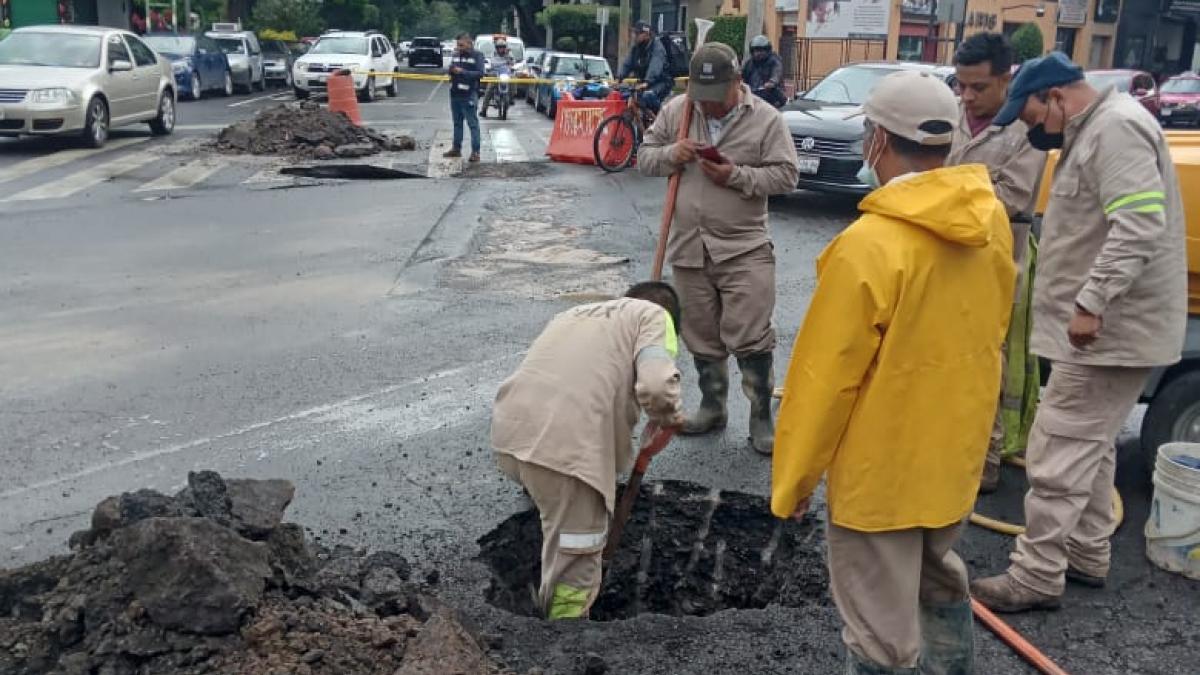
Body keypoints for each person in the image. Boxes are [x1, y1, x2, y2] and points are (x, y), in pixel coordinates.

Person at [771, 70, 1016, 674]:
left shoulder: (871, 244)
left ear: (876, 140)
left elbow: (825, 382)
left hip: (881, 478)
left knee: (880, 636)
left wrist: (794, 483)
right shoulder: (991, 225)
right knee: (938, 579)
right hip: (950, 463)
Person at [970, 52, 1186, 612]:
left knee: (1057, 448)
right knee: (1090, 446)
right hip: (1108, 332)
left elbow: (1139, 222)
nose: (1031, 129)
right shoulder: (1094, 130)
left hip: (1108, 332)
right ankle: (1088, 552)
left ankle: (1037, 575)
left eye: (1033, 116)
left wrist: (1091, 303)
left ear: (1058, 98)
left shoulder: (1115, 130)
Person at [637, 42, 799, 456]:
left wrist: (737, 176)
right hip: (689, 248)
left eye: (716, 99)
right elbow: (645, 157)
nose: (707, 108)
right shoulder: (679, 111)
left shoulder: (766, 120)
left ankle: (761, 416)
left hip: (744, 248)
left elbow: (786, 176)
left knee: (750, 335)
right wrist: (673, 153)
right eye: (700, 98)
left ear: (737, 83)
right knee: (701, 336)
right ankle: (713, 406)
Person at [491, 282, 684, 620]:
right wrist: (668, 419)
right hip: (564, 453)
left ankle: (550, 531)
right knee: (579, 556)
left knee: (554, 502)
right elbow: (656, 385)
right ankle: (565, 633)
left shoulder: (574, 313)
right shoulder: (656, 317)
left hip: (511, 434)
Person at [948, 32, 1047, 495]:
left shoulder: (1027, 130)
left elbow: (1012, 196)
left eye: (979, 87)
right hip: (943, 258)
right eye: (961, 85)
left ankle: (986, 458)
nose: (967, 97)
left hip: (994, 263)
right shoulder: (951, 112)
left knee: (988, 361)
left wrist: (943, 195)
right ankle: (941, 444)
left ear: (1006, 80)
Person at [616, 20, 673, 114]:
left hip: (661, 82)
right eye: (634, 33)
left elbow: (655, 65)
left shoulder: (657, 47)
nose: (635, 36)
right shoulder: (636, 48)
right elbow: (627, 63)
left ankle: (662, 118)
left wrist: (647, 82)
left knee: (647, 95)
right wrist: (619, 78)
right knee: (624, 94)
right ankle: (642, 122)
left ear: (646, 34)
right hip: (644, 82)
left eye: (638, 33)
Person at [445, 33, 485, 162]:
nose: (459, 47)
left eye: (461, 45)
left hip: (468, 95)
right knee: (457, 123)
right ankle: (456, 149)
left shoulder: (477, 55)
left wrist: (462, 72)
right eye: (457, 45)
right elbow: (451, 68)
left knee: (472, 124)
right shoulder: (456, 55)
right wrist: (451, 70)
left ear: (469, 43)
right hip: (455, 93)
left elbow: (480, 73)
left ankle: (475, 152)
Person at [742, 35, 785, 108]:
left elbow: (777, 71)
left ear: (767, 50)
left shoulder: (774, 60)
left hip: (771, 96)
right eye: (755, 50)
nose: (758, 53)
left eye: (761, 50)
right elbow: (743, 76)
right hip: (753, 95)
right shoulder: (749, 63)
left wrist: (772, 82)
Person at [479, 38, 514, 118]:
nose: (501, 49)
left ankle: (511, 98)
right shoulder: (493, 54)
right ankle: (484, 110)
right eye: (499, 47)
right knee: (489, 89)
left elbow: (512, 63)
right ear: (496, 48)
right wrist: (503, 63)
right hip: (495, 74)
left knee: (513, 82)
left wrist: (507, 57)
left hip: (506, 74)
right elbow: (493, 63)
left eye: (503, 47)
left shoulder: (509, 54)